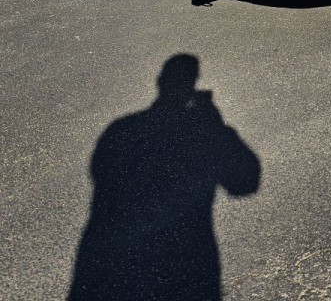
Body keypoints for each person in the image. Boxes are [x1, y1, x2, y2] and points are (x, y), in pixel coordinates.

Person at [69, 54, 261, 301]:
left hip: (114, 264)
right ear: (192, 87)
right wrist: (217, 127)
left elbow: (101, 178)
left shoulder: (120, 130)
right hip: (185, 265)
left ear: (160, 82)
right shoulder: (203, 134)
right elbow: (245, 182)